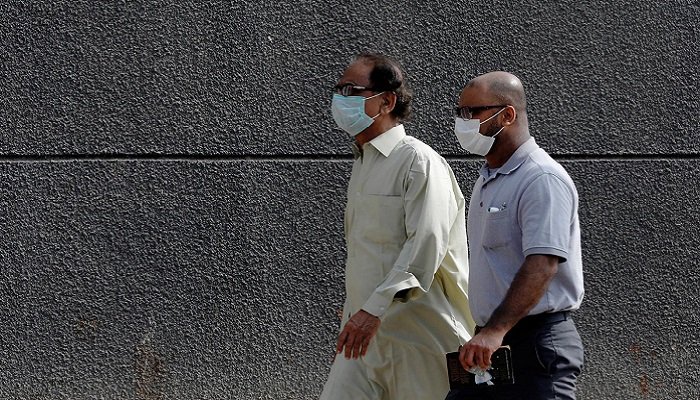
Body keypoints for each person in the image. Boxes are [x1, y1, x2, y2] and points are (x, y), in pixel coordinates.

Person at [320, 52, 475, 400]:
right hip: (364, 337)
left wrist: (369, 312)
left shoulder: (418, 161)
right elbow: (368, 254)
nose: (339, 98)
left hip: (420, 336)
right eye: (337, 89)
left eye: (350, 89)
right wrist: (352, 316)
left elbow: (425, 247)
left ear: (387, 100)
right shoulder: (363, 164)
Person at [446, 71, 585, 400]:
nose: (462, 122)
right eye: (459, 113)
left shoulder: (541, 178)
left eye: (471, 112)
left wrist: (495, 330)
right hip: (492, 347)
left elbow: (543, 263)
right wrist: (486, 332)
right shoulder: (488, 178)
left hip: (535, 345)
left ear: (506, 115)